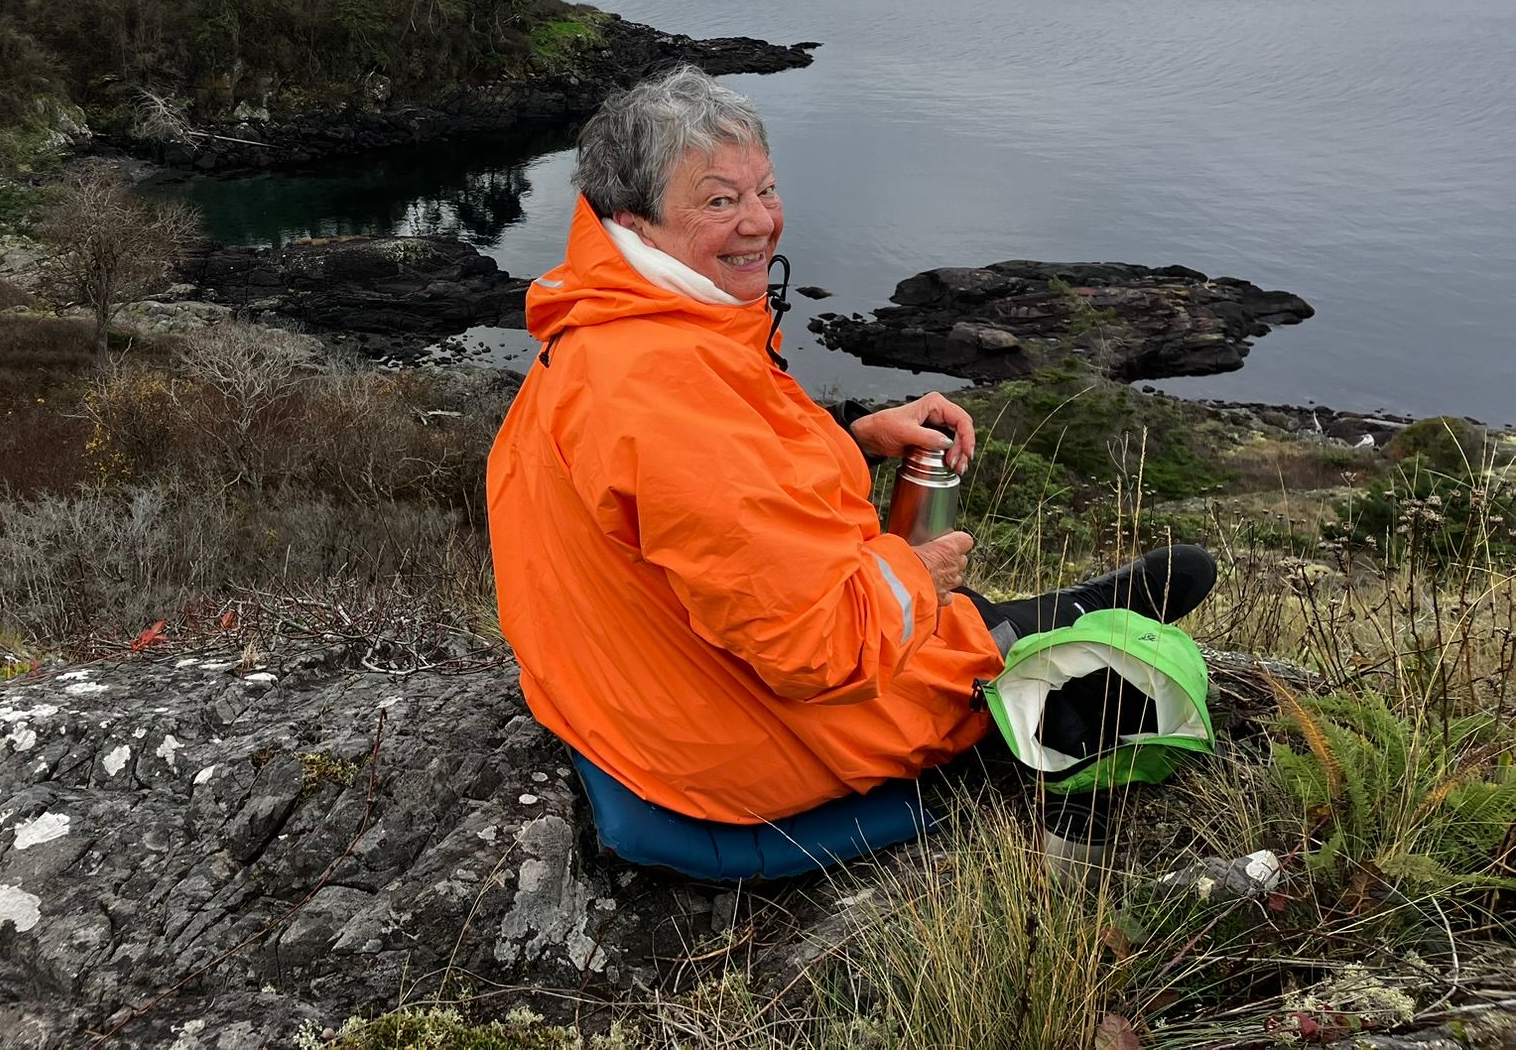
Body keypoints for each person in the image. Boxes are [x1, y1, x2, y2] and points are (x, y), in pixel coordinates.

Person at [486, 66, 1214, 825]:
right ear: (635, 223)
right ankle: (1030, 646)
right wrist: (917, 572)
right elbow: (821, 651)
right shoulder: (663, 383)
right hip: (731, 743)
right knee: (959, 635)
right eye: (718, 201)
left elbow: (702, 488)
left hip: (631, 683)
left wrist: (857, 438)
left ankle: (1024, 621)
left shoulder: (609, 324)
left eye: (764, 190)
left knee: (947, 609)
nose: (760, 222)